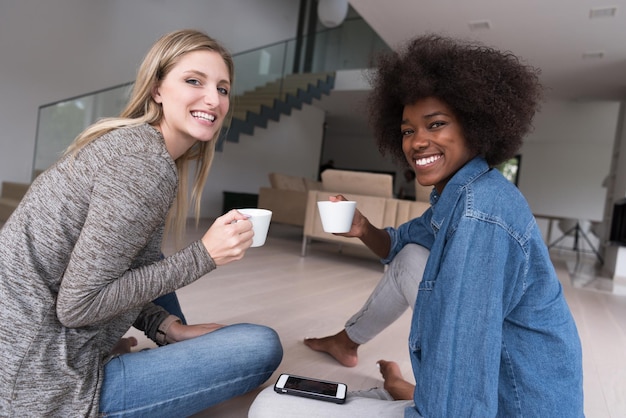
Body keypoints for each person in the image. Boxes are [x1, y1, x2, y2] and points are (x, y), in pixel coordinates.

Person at [249, 34, 583, 417]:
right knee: (410, 256)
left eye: (436, 124)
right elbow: (397, 246)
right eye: (408, 130)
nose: (418, 142)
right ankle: (373, 366)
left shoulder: (480, 214)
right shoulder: (464, 194)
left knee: (269, 408)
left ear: (476, 126)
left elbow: (462, 353)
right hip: (494, 396)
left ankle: (400, 391)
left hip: (515, 408)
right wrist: (361, 228)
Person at [0, 29, 283, 417]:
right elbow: (78, 307)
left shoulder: (134, 145)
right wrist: (204, 255)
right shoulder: (144, 167)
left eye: (223, 88)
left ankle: (172, 336)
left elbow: (115, 269)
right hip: (38, 385)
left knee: (150, 260)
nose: (213, 99)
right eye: (193, 81)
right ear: (157, 89)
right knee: (259, 346)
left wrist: (165, 325)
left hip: (22, 350)